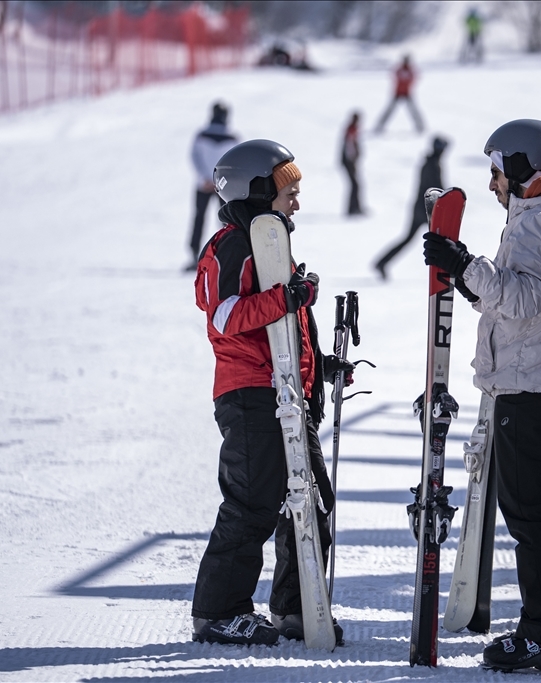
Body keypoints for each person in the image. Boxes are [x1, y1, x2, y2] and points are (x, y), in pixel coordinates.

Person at [423, 119, 541, 676]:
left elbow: (524, 299)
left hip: (533, 388)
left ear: (523, 167)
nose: (492, 184)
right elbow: (537, 305)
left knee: (532, 515)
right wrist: (474, 280)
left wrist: (462, 264)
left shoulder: (538, 223)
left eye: (498, 170)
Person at [191, 139, 354, 646]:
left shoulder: (271, 245)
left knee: (310, 502)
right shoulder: (231, 246)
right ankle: (219, 612)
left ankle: (296, 608)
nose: (297, 203)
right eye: (289, 192)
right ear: (258, 190)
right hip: (250, 396)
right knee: (253, 503)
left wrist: (322, 367)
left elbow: (283, 333)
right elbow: (224, 318)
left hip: (287, 395)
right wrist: (284, 298)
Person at [374, 136, 449, 280]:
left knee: (412, 239)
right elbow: (436, 188)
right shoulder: (432, 164)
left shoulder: (430, 162)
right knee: (441, 242)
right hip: (426, 210)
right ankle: (444, 275)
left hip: (422, 208)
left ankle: (382, 262)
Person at [187, 101, 238, 270]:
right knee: (227, 221)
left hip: (204, 184)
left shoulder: (201, 135)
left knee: (199, 218)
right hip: (223, 185)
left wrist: (204, 178)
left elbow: (195, 158)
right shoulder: (232, 137)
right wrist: (219, 181)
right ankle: (227, 255)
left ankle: (195, 255)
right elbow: (234, 163)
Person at [374, 55, 424, 134]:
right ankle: (380, 126)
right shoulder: (399, 69)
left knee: (414, 111)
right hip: (397, 93)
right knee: (389, 110)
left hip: (407, 93)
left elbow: (413, 79)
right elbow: (394, 76)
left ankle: (420, 126)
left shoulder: (411, 70)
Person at [340, 112, 364, 216]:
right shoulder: (351, 129)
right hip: (348, 161)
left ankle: (355, 207)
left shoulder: (352, 128)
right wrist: (352, 159)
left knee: (355, 185)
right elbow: (349, 147)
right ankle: (353, 209)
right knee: (355, 185)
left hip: (350, 161)